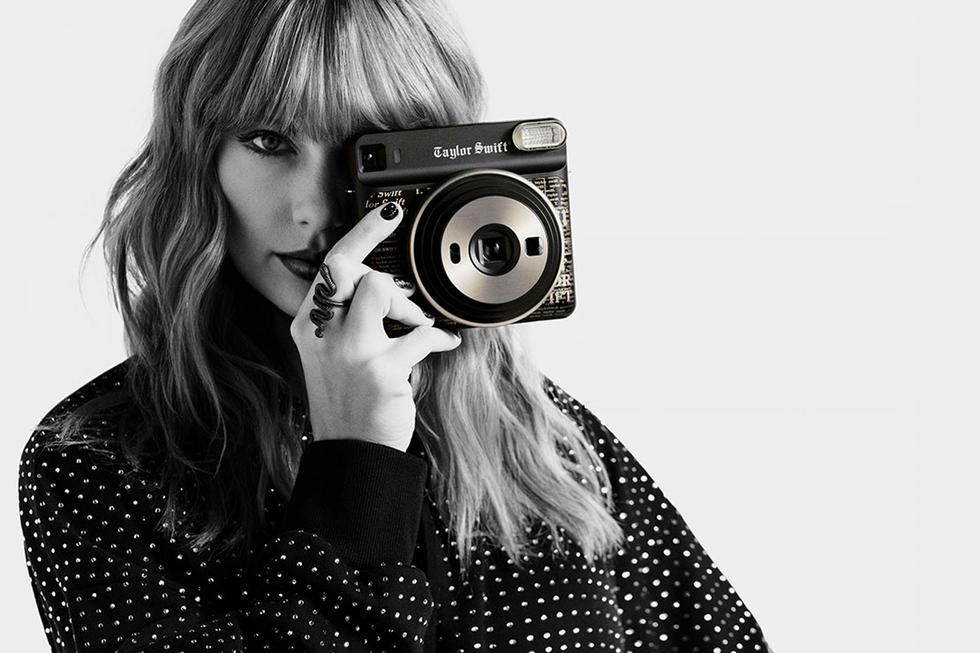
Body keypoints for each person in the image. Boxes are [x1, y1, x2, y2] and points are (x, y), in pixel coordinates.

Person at [17, 1, 772, 651]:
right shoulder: (95, 463)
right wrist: (356, 464)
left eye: (366, 150)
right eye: (270, 141)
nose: (316, 211)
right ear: (198, 156)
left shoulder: (542, 436)